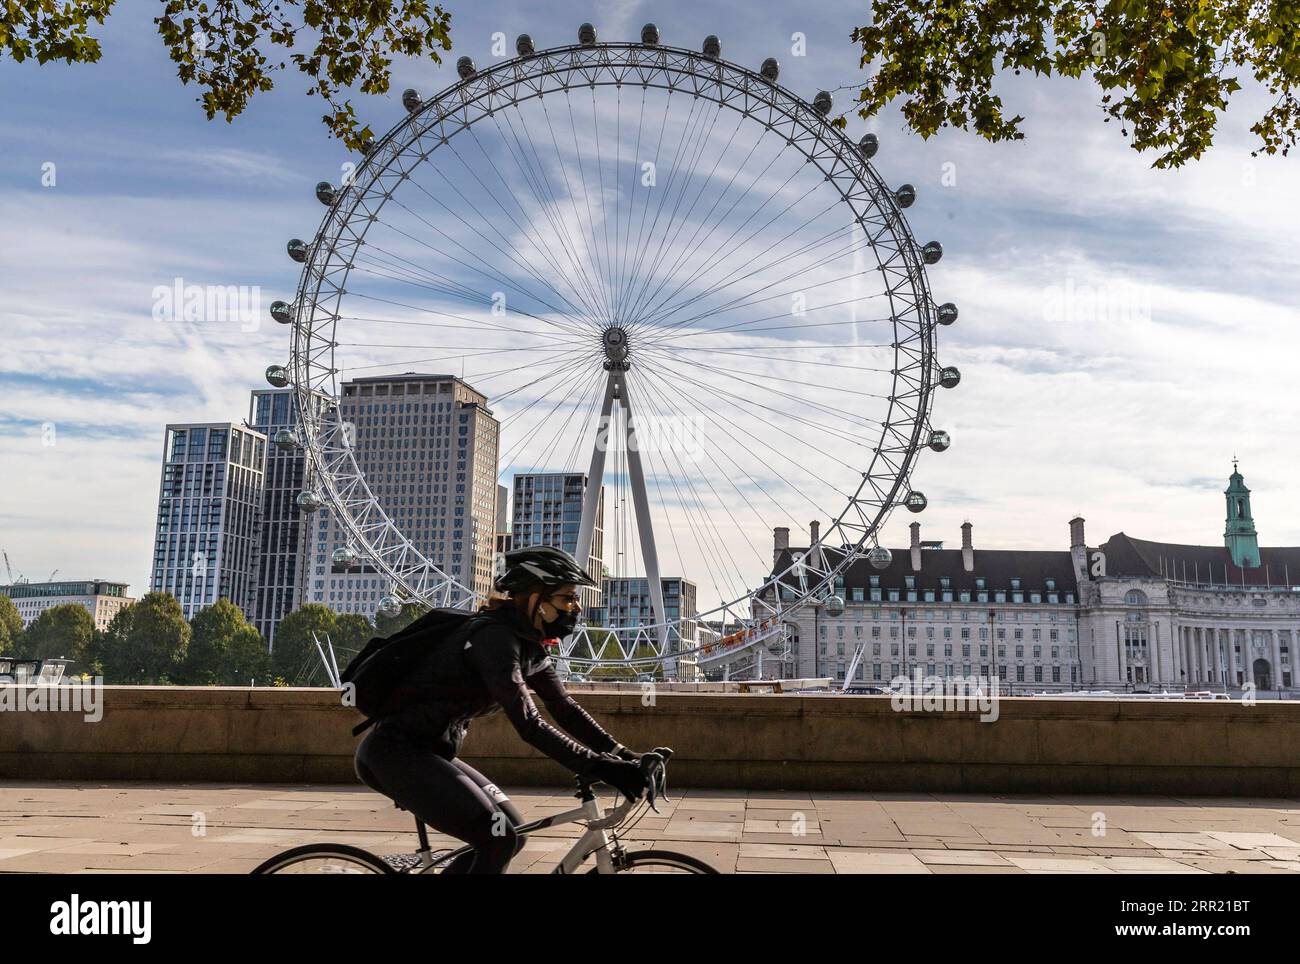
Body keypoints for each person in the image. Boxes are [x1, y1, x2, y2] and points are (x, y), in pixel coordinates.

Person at [353, 545, 651, 874]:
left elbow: (562, 706)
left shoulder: (527, 645)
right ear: (536, 599)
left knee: (512, 834)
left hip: (429, 753)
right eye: (567, 598)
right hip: (395, 756)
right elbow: (529, 723)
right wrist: (598, 766)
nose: (577, 607)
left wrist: (624, 755)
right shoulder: (494, 641)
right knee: (498, 838)